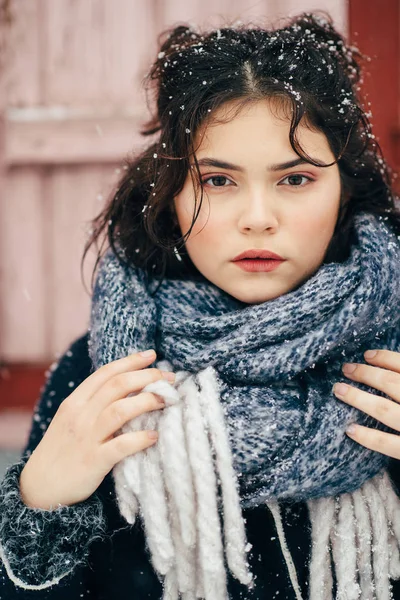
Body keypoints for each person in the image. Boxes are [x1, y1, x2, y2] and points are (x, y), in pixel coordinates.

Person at [2, 10, 400, 600]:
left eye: (295, 180)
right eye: (218, 180)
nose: (258, 218)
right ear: (173, 196)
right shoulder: (102, 382)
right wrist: (42, 510)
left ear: (345, 187)